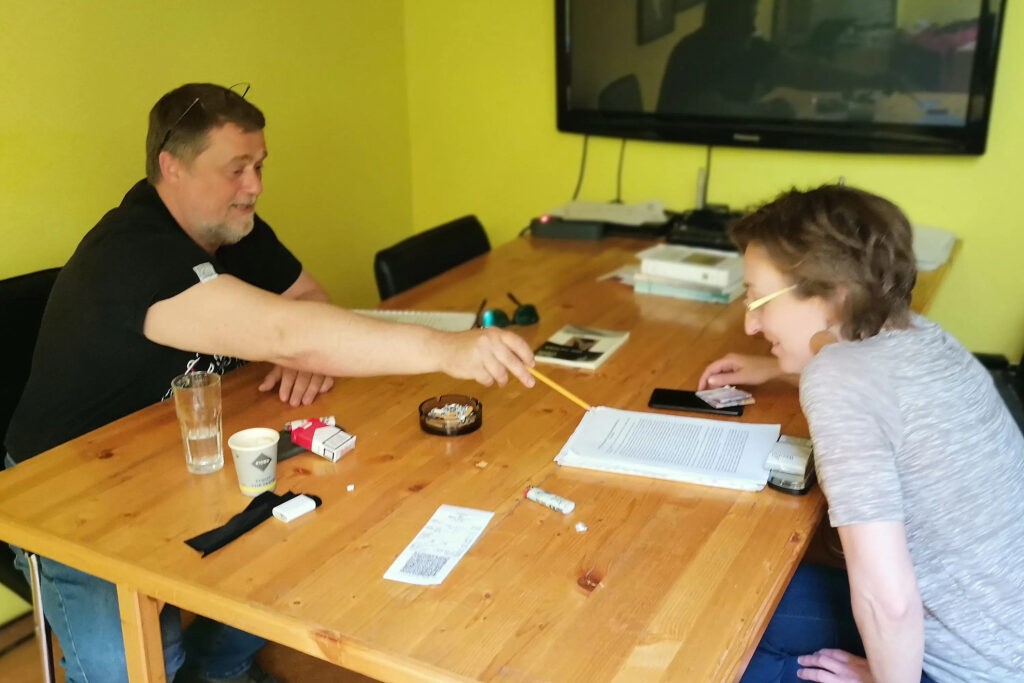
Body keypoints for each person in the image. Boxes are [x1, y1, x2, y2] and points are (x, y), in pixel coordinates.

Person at [3, 83, 537, 683]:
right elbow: (285, 330)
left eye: (258, 166)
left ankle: (217, 670)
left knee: (316, 530)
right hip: (62, 493)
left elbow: (307, 300)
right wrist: (444, 349)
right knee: (135, 662)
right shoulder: (133, 253)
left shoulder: (230, 226)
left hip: (175, 454)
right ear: (171, 167)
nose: (254, 186)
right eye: (236, 169)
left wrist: (305, 350)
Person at [697, 185, 1024, 682]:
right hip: (1002, 631)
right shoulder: (919, 335)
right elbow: (881, 393)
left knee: (711, 642)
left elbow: (887, 599)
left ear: (835, 295)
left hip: (972, 668)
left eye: (759, 299)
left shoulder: (838, 379)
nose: (750, 323)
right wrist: (776, 369)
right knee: (735, 605)